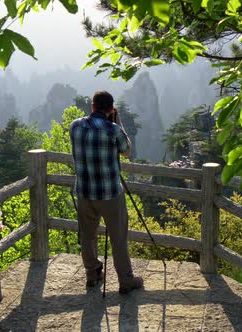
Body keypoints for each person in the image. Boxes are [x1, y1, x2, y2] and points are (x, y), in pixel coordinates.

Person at [69, 90, 143, 294]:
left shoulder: (75, 126)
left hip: (84, 193)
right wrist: (117, 121)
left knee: (88, 235)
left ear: (92, 106)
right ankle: (125, 280)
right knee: (118, 238)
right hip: (110, 194)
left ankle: (92, 274)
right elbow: (127, 151)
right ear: (111, 109)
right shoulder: (113, 130)